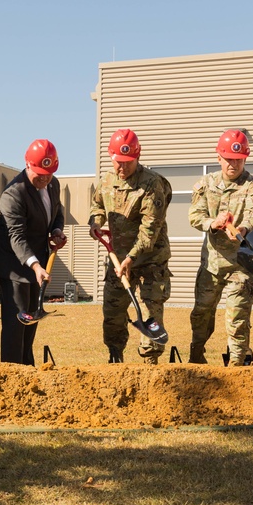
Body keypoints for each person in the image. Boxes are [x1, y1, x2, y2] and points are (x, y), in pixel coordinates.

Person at [88, 129, 172, 364]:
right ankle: (115, 357)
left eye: (128, 163)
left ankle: (150, 364)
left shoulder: (152, 184)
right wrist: (96, 223)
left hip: (150, 261)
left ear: (138, 157)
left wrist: (131, 258)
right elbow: (97, 207)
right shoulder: (106, 181)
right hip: (118, 259)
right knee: (113, 311)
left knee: (149, 312)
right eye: (118, 162)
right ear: (111, 157)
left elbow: (149, 231)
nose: (122, 168)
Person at [188, 129, 253, 366]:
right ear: (219, 157)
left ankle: (235, 366)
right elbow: (195, 215)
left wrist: (242, 228)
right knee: (201, 313)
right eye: (228, 158)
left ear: (245, 159)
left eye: (238, 159)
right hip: (211, 265)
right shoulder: (205, 184)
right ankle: (196, 356)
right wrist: (212, 223)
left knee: (237, 318)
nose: (233, 164)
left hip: (241, 265)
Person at [0, 139, 66, 365]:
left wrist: (57, 231)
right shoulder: (14, 193)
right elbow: (16, 237)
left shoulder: (53, 184)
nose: (44, 178)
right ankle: (12, 373)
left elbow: (56, 213)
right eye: (39, 173)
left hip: (36, 262)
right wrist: (34, 265)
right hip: (13, 263)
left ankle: (27, 367)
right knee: (16, 324)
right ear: (27, 164)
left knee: (32, 318)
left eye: (48, 173)